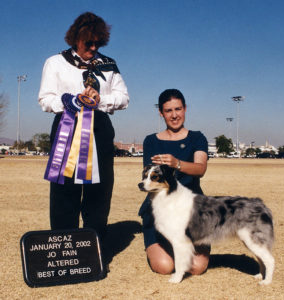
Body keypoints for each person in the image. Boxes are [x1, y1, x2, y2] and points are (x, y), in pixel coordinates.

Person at [38, 12, 129, 239]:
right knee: (64, 193)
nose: (93, 47)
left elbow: (124, 98)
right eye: (89, 42)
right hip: (66, 129)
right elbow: (45, 99)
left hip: (100, 129)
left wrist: (101, 100)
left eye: (98, 42)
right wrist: (72, 101)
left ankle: (95, 248)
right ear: (75, 39)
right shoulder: (55, 62)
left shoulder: (109, 65)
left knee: (99, 192)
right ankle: (63, 248)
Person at [139, 89, 210, 276]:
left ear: (185, 109)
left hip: (192, 213)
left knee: (196, 267)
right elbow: (151, 178)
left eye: (178, 109)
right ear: (161, 113)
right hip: (161, 213)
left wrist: (176, 163)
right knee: (165, 267)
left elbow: (200, 168)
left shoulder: (197, 138)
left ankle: (185, 246)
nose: (174, 115)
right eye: (168, 110)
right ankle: (164, 245)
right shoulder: (151, 141)